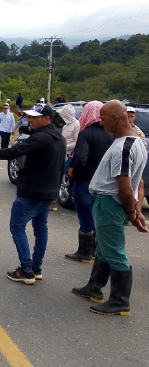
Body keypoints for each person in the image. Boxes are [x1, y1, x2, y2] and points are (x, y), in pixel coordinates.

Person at [72, 101, 147, 316]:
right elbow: (137, 183)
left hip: (110, 203)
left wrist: (132, 212)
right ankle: (94, 287)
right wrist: (135, 208)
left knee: (115, 251)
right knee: (104, 248)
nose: (100, 121)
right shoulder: (136, 141)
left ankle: (119, 301)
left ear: (115, 118)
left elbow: (125, 187)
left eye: (103, 118)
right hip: (111, 202)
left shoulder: (123, 148)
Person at [0, 103, 66, 284]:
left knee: (18, 227)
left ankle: (26, 270)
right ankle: (36, 268)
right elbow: (60, 166)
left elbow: (13, 152)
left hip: (32, 192)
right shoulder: (59, 137)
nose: (30, 119)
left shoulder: (41, 138)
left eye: (34, 117)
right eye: (29, 116)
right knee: (41, 229)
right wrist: (56, 190)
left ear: (47, 119)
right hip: (48, 193)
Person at [65, 101, 115, 262]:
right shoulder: (111, 134)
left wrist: (74, 170)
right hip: (103, 182)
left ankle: (85, 251)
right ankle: (95, 249)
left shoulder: (86, 133)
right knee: (97, 216)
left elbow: (81, 157)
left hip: (85, 180)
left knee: (85, 215)